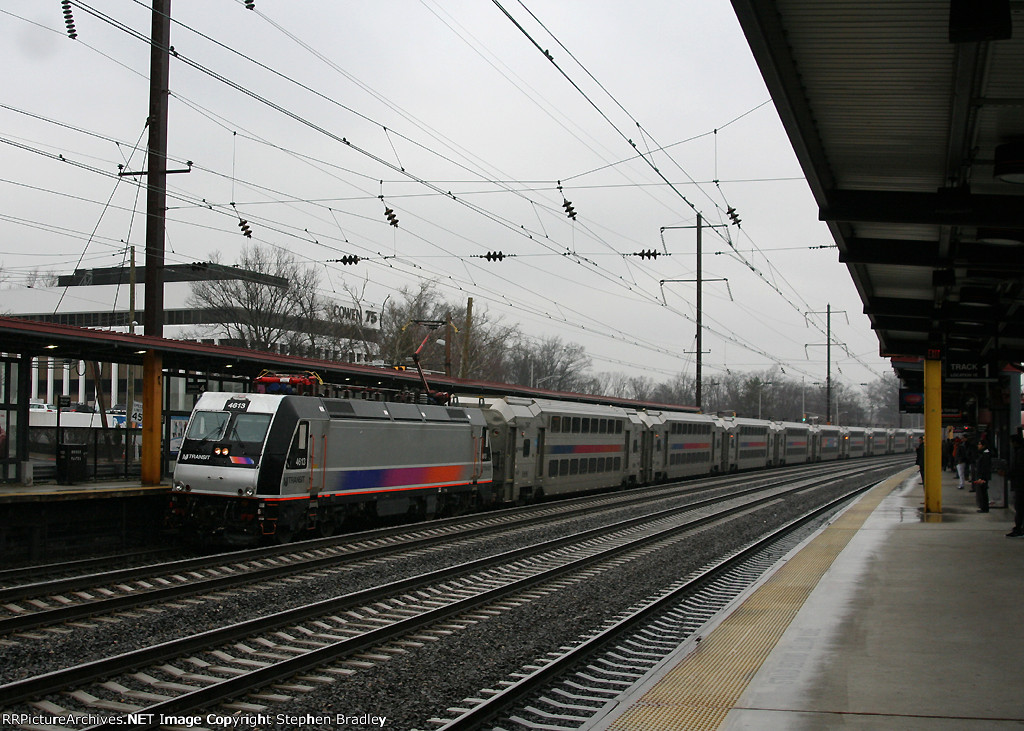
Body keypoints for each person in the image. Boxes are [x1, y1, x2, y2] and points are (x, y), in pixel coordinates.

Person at [1007, 431, 1024, 537]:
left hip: (1021, 485)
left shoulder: (1020, 453)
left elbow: (1018, 468)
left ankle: (1018, 529)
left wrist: (1008, 474)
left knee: (1020, 507)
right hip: (1019, 484)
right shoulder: (1019, 452)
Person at [974, 439, 992, 513]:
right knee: (982, 492)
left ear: (983, 445)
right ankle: (984, 507)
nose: (978, 446)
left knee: (983, 492)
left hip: (983, 477)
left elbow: (984, 467)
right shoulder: (983, 453)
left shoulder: (985, 454)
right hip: (982, 476)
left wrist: (981, 477)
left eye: (979, 444)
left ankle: (984, 508)